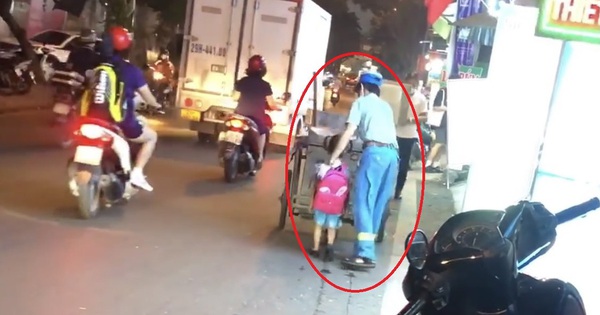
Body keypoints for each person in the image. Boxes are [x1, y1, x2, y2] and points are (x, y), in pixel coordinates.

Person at [328, 70, 399, 270]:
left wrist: (334, 156)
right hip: (393, 156)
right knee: (376, 204)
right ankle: (363, 249)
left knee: (363, 202)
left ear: (361, 87)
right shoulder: (386, 107)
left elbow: (349, 132)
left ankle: (365, 255)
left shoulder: (360, 103)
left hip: (375, 154)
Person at [78, 26, 161, 192]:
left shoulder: (96, 66)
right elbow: (147, 97)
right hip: (120, 121)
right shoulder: (132, 71)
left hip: (92, 117)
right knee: (151, 137)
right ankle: (137, 172)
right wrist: (156, 105)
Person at [231, 55, 280, 167]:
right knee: (263, 132)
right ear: (263, 70)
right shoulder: (265, 85)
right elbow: (271, 104)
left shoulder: (242, 82)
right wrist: (277, 108)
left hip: (239, 115)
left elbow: (234, 97)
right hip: (255, 117)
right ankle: (259, 157)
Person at [309, 135, 349, 262]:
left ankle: (315, 249)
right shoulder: (346, 170)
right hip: (336, 205)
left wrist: (312, 201)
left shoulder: (323, 168)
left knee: (318, 226)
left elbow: (316, 184)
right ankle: (329, 250)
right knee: (332, 227)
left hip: (321, 203)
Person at [394, 74, 428, 199]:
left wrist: (412, 119)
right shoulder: (397, 95)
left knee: (403, 166)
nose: (410, 87)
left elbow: (425, 116)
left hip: (408, 136)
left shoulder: (421, 98)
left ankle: (398, 190)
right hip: (392, 134)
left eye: (413, 84)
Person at [425, 82, 448, 173]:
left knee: (443, 145)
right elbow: (435, 107)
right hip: (441, 123)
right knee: (438, 143)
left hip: (448, 123)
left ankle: (434, 164)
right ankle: (428, 164)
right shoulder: (443, 92)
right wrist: (447, 108)